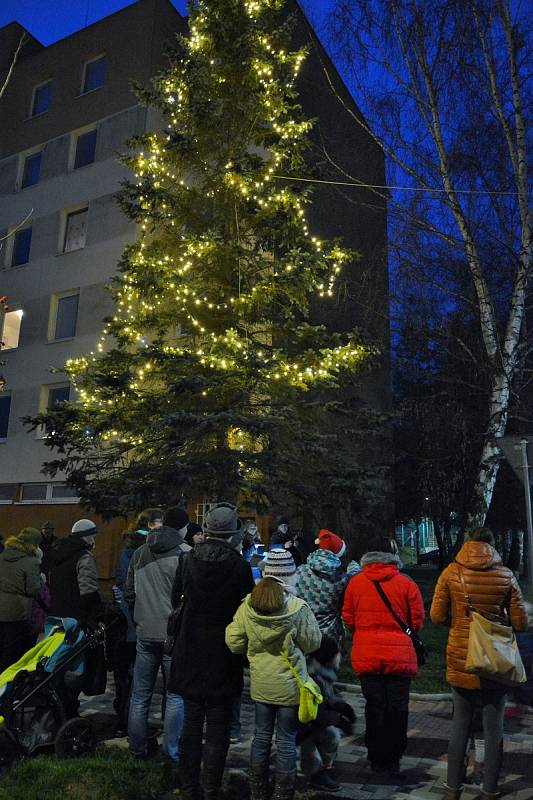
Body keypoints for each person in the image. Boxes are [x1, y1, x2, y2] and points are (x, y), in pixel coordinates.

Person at [430, 527, 528, 800]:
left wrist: (463, 625)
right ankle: (490, 790)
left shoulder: (451, 572)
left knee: (459, 725)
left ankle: (452, 789)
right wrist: (495, 623)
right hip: (495, 662)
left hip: (462, 660)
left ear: (468, 543)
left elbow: (436, 616)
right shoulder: (506, 575)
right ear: (493, 546)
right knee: (493, 729)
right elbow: (521, 623)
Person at [168, 502, 254, 800]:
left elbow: (175, 600)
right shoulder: (240, 567)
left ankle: (188, 788)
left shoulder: (187, 560)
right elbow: (246, 610)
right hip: (224, 651)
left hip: (190, 647)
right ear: (233, 534)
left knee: (192, 723)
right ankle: (211, 788)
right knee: (219, 725)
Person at [226, 576, 322, 800]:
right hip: (289, 685)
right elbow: (313, 642)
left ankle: (257, 790)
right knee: (286, 739)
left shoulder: (247, 607)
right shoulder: (297, 608)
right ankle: (282, 792)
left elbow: (234, 642)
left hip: (261, 683)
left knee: (260, 736)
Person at [342, 549, 425, 777]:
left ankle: (376, 757)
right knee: (397, 708)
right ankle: (394, 757)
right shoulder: (406, 583)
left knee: (374, 706)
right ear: (392, 562)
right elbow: (417, 620)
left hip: (367, 653)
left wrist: (361, 634)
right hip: (400, 655)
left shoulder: (356, 583)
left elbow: (348, 616)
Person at [125, 506, 190, 762]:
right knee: (174, 695)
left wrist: (139, 616)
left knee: (140, 695)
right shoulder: (185, 555)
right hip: (173, 636)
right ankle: (171, 752)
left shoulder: (140, 553)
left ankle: (136, 750)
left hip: (144, 633)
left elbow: (129, 592)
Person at [299, 635, 356, 791]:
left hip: (316, 721)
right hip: (305, 723)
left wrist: (341, 709)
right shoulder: (315, 678)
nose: (340, 657)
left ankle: (324, 769)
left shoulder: (325, 675)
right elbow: (318, 710)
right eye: (337, 654)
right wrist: (338, 717)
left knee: (331, 736)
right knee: (312, 742)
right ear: (327, 657)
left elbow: (330, 700)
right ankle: (315, 774)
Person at [296, 529, 359, 649]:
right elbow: (355, 586)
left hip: (304, 633)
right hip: (330, 637)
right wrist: (355, 571)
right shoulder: (340, 580)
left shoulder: (300, 571)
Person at [0, 527, 43, 672]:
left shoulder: (2, 556)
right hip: (17, 613)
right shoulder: (31, 562)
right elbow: (33, 589)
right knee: (12, 654)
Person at [48, 519, 101, 626]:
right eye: (93, 538)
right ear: (87, 537)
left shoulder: (58, 552)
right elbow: (88, 591)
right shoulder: (84, 557)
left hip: (57, 612)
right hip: (78, 615)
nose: (94, 542)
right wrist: (96, 613)